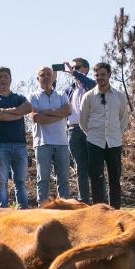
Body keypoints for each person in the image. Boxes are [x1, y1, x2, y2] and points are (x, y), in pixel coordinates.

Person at [77, 62, 130, 207]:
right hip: (95, 142)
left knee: (115, 178)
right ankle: (99, 210)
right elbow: (83, 121)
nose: (100, 77)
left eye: (103, 74)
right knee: (96, 178)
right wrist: (92, 134)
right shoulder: (88, 97)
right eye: (97, 75)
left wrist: (116, 133)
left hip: (114, 142)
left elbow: (123, 118)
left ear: (109, 75)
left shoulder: (119, 96)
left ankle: (115, 209)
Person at [0, 67, 33, 209]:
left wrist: (5, 112)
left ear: (10, 79)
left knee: (20, 182)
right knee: (1, 182)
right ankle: (3, 211)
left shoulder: (19, 98)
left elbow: (28, 108)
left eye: (6, 76)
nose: (3, 79)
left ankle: (23, 210)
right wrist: (17, 113)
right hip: (0, 145)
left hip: (19, 145)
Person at [29, 65, 73, 203]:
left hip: (61, 143)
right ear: (38, 78)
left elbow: (68, 111)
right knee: (43, 179)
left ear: (53, 77)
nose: (46, 77)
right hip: (42, 143)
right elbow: (36, 118)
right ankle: (42, 207)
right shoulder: (33, 96)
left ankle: (64, 207)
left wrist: (45, 113)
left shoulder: (61, 94)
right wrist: (58, 114)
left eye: (49, 74)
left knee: (63, 179)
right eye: (42, 75)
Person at [60, 58, 96, 202]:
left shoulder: (91, 85)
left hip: (90, 129)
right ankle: (84, 200)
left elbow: (91, 85)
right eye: (72, 68)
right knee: (80, 167)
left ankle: (99, 199)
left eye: (77, 67)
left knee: (95, 166)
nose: (73, 70)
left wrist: (74, 73)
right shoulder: (69, 90)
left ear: (86, 69)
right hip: (73, 130)